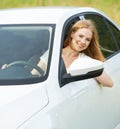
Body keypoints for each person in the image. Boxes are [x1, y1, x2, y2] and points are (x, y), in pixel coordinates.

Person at [62, 19, 113, 87]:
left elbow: (109, 83)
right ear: (72, 33)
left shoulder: (85, 61)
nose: (83, 42)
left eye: (87, 39)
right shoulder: (54, 54)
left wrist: (90, 69)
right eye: (80, 36)